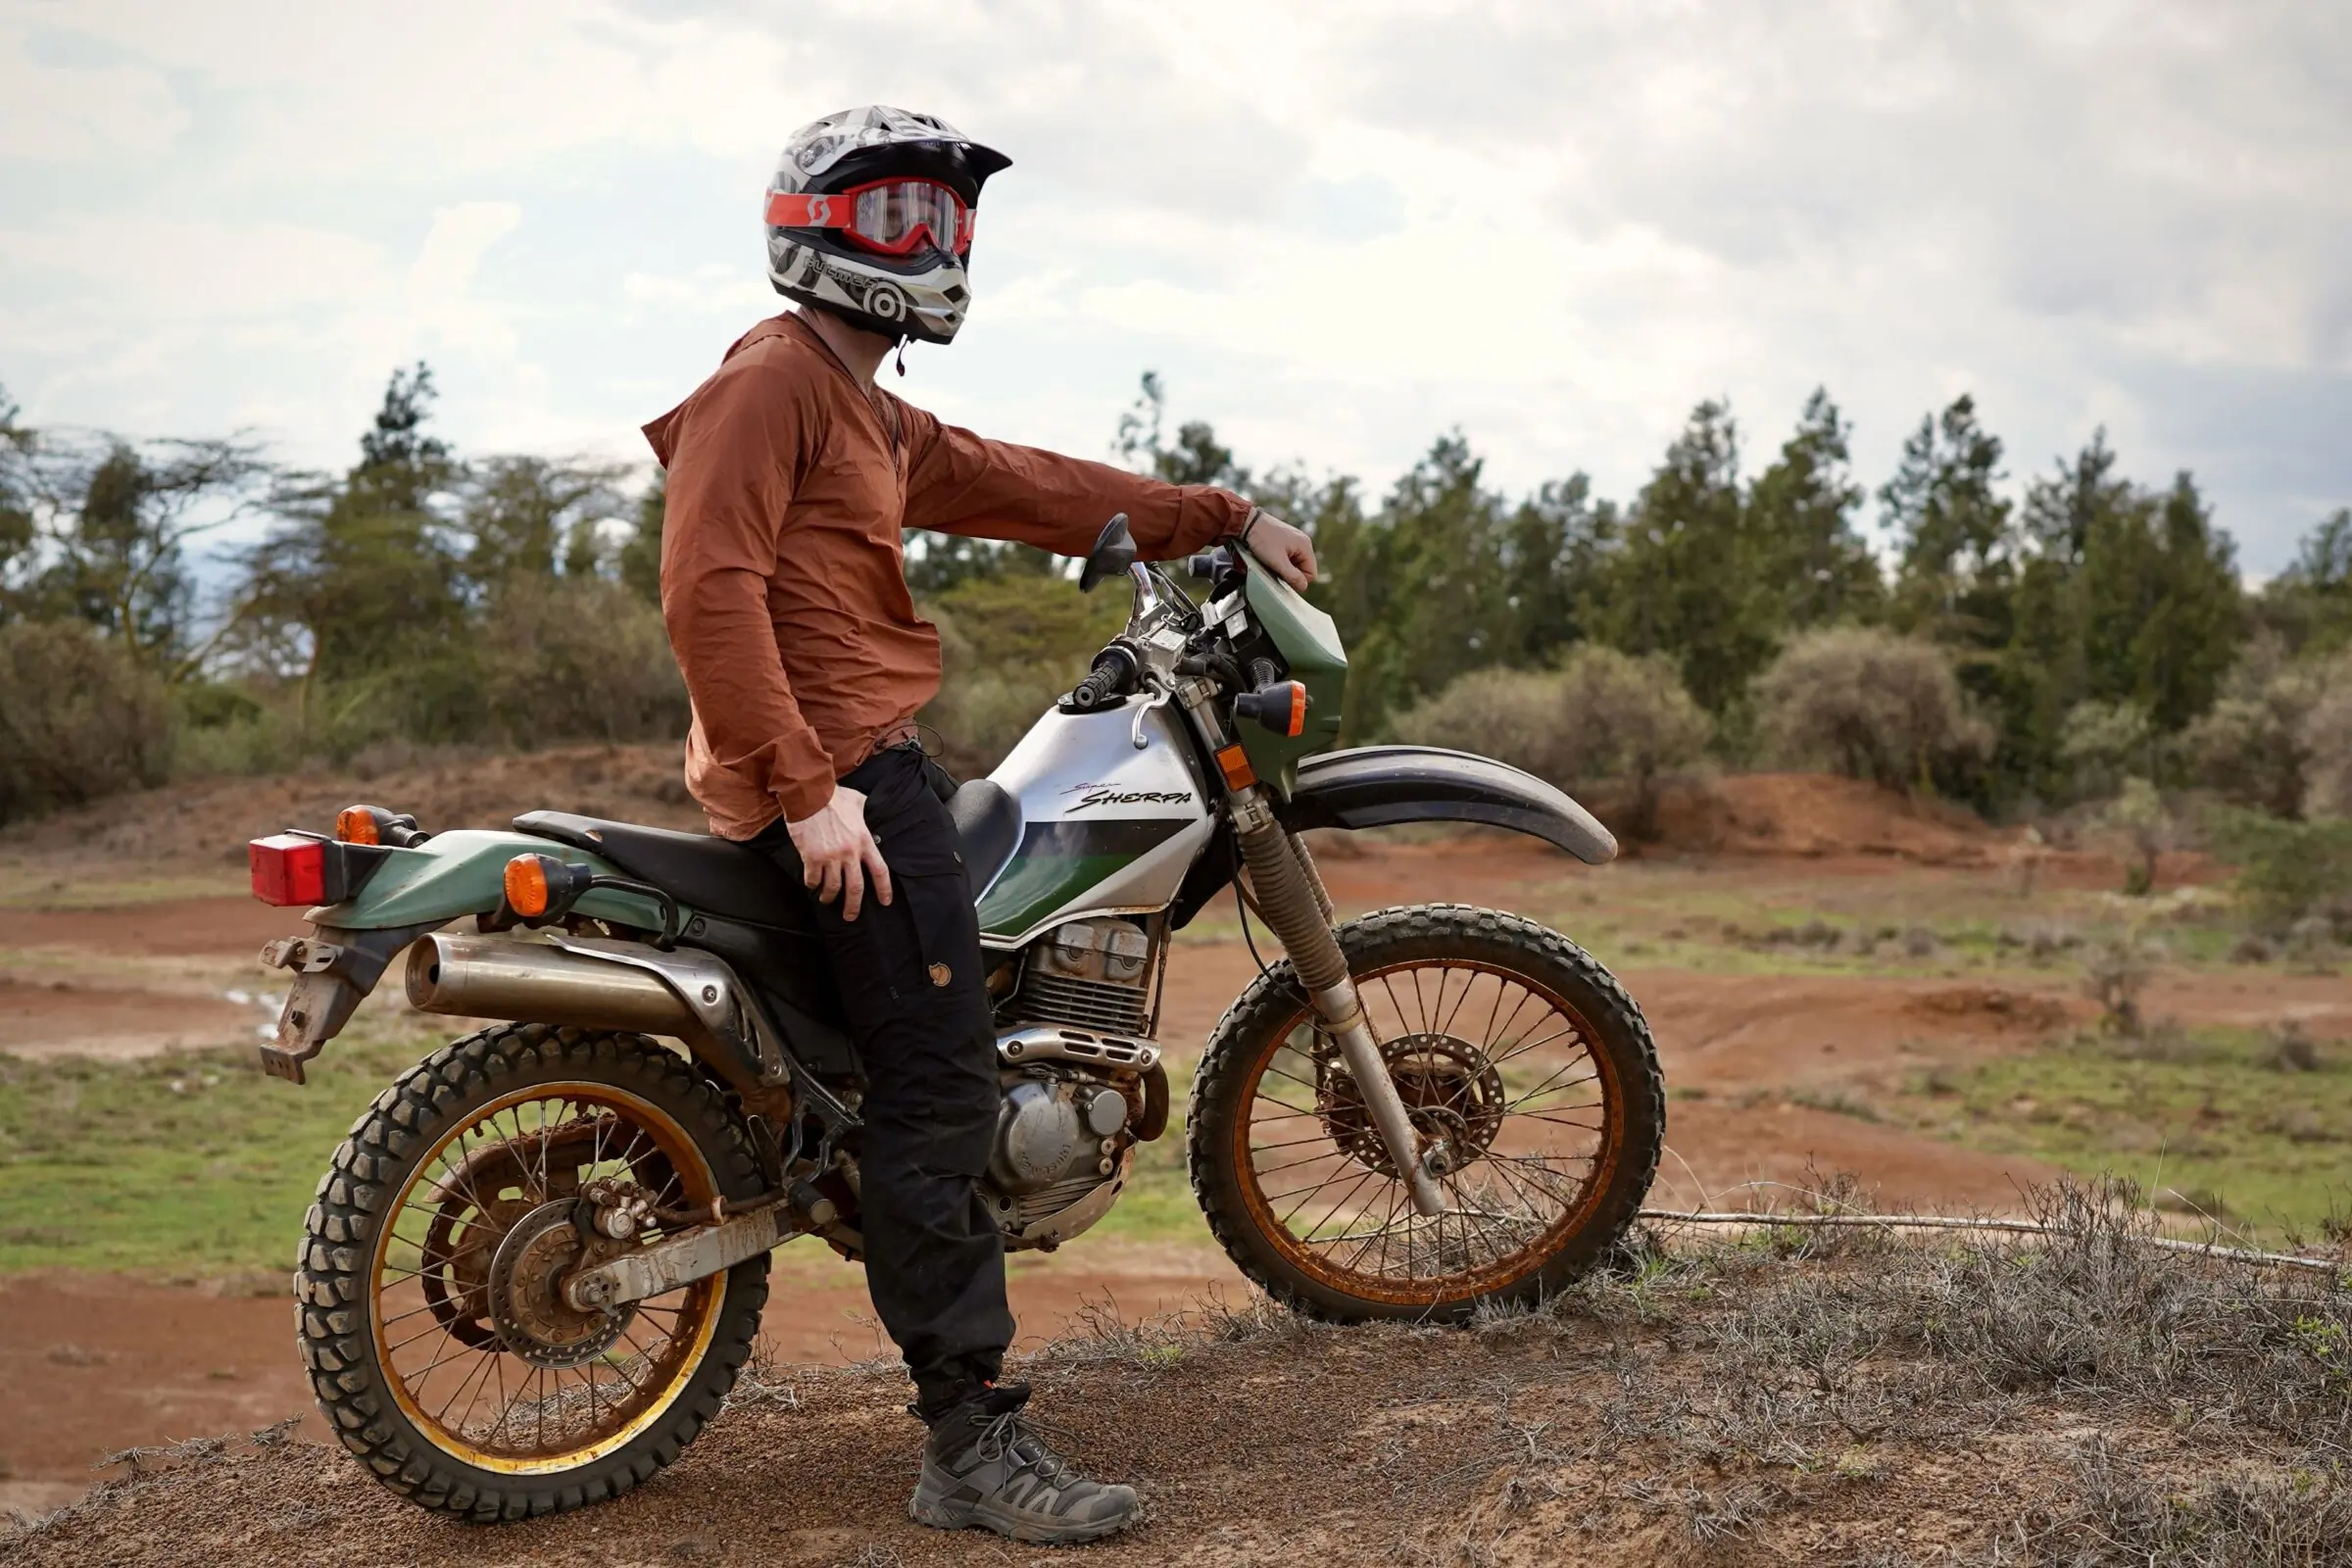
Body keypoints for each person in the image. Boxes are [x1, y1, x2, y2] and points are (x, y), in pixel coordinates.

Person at [641, 105, 1316, 1544]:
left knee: (936, 1036)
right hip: (831, 780)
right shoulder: (771, 385)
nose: (933, 247)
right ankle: (967, 1442)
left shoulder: (866, 406)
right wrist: (810, 792)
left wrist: (1223, 513)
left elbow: (1029, 484)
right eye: (899, 220)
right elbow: (708, 589)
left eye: (947, 223)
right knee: (937, 1091)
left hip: (853, 761)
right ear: (815, 233)